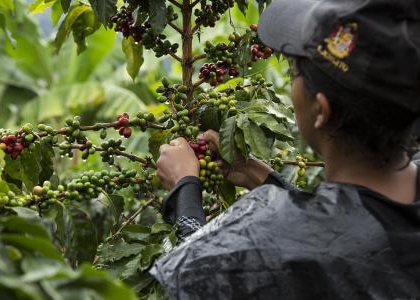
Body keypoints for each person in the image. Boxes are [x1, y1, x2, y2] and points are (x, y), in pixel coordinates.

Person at [150, 0, 420, 298]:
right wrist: (261, 176)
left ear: (321, 109)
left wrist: (185, 189)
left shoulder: (261, 247)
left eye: (294, 73)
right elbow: (353, 229)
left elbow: (199, 278)